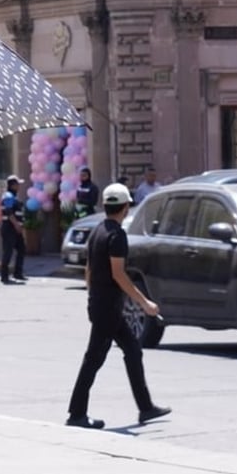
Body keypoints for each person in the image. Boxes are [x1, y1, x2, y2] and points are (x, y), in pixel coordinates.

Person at [66, 182, 170, 430]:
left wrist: (92, 296)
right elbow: (119, 274)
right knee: (93, 359)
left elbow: (89, 270)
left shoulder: (99, 230)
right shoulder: (116, 235)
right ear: (125, 208)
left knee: (133, 350)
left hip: (103, 306)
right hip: (108, 309)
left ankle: (146, 408)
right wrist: (144, 303)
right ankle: (77, 413)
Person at [0, 174, 26, 284]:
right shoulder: (8, 196)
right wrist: (16, 225)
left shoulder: (13, 196)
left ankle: (17, 273)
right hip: (9, 228)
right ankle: (4, 276)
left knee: (22, 249)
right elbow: (9, 212)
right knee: (8, 252)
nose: (19, 186)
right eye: (18, 184)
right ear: (12, 185)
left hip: (15, 228)